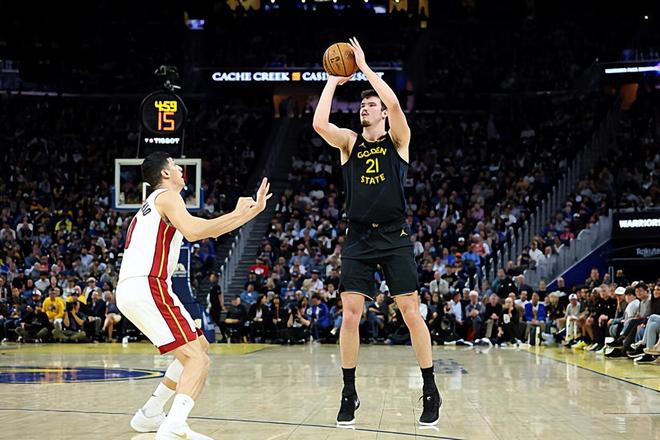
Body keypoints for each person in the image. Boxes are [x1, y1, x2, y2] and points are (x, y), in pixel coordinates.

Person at [313, 37, 440, 426]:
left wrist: (365, 68)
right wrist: (333, 79)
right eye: (362, 105)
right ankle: (348, 391)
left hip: (393, 235)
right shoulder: (349, 143)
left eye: (371, 105)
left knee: (410, 311)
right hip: (358, 237)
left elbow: (397, 105)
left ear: (382, 113)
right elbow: (319, 124)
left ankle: (430, 388)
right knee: (350, 315)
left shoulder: (399, 141)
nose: (365, 108)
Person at [115, 152, 271, 440]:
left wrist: (250, 212)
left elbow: (206, 229)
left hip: (135, 287)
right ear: (165, 174)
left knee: (200, 346)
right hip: (148, 284)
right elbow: (195, 231)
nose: (179, 169)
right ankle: (174, 426)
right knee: (198, 359)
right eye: (174, 165)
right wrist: (239, 213)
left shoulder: (153, 203)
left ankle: (150, 413)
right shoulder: (167, 196)